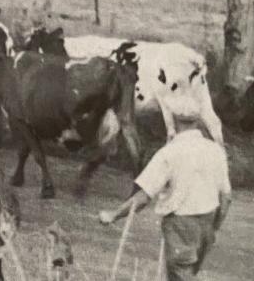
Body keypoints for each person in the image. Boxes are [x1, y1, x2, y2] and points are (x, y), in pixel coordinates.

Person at [98, 113, 232, 281]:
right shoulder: (216, 150)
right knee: (188, 273)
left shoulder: (169, 153)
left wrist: (114, 214)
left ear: (172, 123)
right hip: (207, 222)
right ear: (197, 122)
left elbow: (144, 196)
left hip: (181, 224)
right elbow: (226, 197)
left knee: (181, 276)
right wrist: (214, 227)